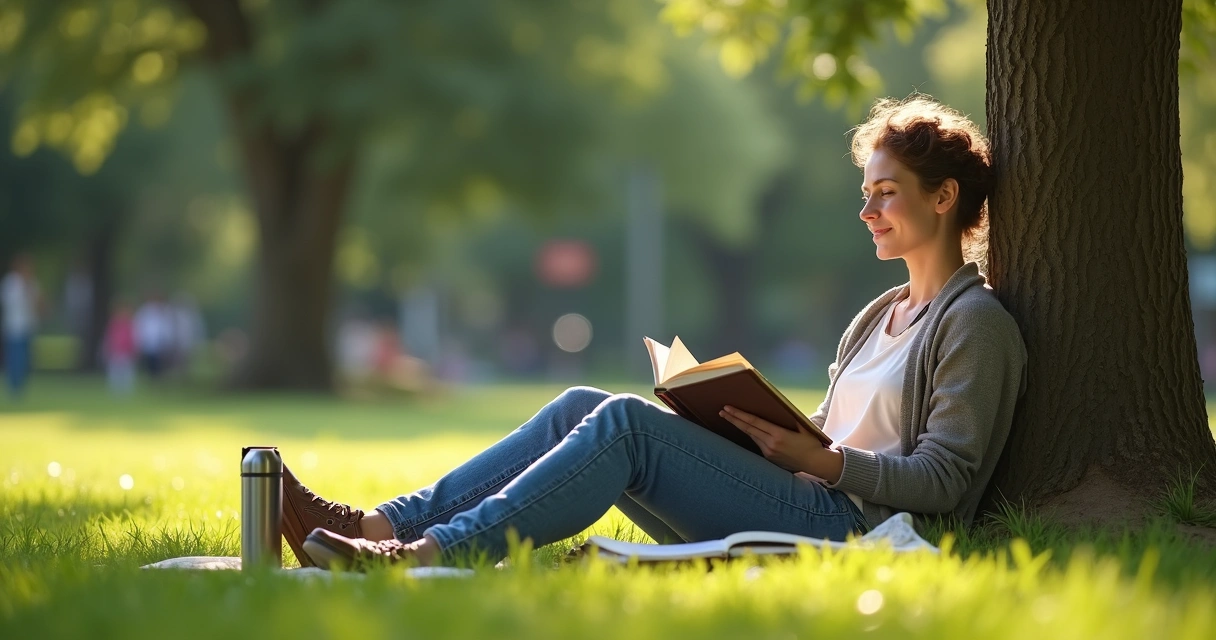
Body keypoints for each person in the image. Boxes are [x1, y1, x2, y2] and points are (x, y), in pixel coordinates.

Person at [283, 95, 1028, 570]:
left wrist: (824, 462)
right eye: (865, 195)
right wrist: (726, 427)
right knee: (583, 403)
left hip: (847, 528)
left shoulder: (975, 325)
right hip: (800, 493)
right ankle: (375, 522)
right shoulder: (879, 315)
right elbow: (828, 435)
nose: (867, 212)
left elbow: (944, 481)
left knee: (625, 429)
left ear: (946, 197)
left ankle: (423, 554)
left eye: (886, 195)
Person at [2, 255, 40, 398]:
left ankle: (21, 387)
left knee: (25, 359)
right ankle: (13, 387)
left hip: (28, 326)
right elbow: (10, 303)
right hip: (14, 327)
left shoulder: (32, 282)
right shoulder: (11, 283)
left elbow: (37, 302)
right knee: (15, 358)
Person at [103, 302, 137, 395]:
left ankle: (126, 391)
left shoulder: (130, 323)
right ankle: (116, 391)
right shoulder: (114, 323)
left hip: (127, 351)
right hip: (116, 350)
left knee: (127, 372)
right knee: (115, 371)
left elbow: (133, 337)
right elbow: (109, 337)